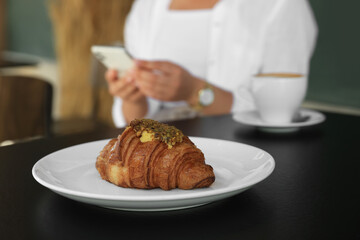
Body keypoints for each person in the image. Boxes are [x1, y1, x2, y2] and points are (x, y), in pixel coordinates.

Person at [106, 0, 318, 127]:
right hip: (159, 160)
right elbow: (135, 119)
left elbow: (279, 112)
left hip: (248, 156)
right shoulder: (147, 6)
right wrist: (133, 98)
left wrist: (195, 92)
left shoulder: (279, 5)